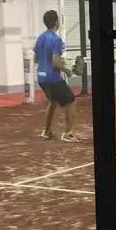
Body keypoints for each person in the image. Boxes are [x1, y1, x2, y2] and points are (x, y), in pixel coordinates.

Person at [33, 9, 79, 141]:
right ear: (55, 23)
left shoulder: (40, 37)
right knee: (71, 101)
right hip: (53, 78)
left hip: (41, 78)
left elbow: (36, 58)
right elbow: (55, 62)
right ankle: (68, 134)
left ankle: (46, 132)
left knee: (53, 102)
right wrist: (66, 70)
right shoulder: (56, 40)